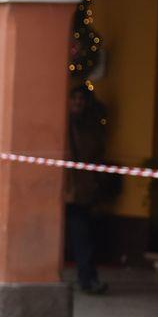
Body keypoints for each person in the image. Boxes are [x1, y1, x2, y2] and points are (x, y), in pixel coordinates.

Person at [65, 83, 110, 295]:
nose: (78, 103)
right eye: (74, 99)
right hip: (69, 188)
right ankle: (87, 278)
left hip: (82, 190)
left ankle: (88, 278)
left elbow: (93, 151)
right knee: (81, 235)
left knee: (84, 235)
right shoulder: (65, 125)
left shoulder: (90, 126)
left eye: (81, 99)